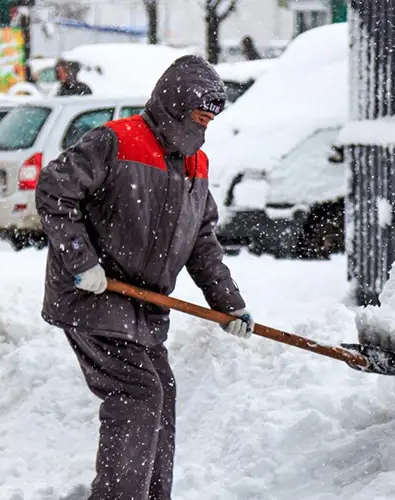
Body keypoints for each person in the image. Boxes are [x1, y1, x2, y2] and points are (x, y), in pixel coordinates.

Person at [35, 54, 254, 500]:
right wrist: (81, 262)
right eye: (200, 114)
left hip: (142, 305)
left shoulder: (196, 165)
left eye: (212, 117)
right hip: (93, 294)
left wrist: (227, 303)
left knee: (160, 393)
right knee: (136, 392)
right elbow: (53, 190)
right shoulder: (117, 142)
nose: (206, 124)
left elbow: (201, 241)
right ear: (175, 104)